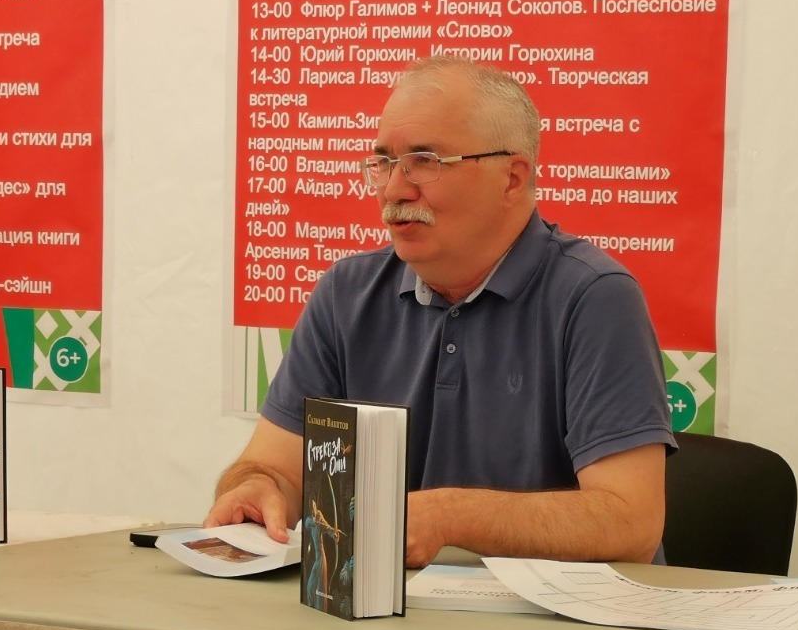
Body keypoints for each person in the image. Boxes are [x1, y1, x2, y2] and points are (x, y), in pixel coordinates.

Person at [206, 56, 675, 568]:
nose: (394, 190)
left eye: (425, 161)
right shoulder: (346, 294)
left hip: (550, 616)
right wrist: (255, 489)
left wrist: (449, 517)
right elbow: (276, 469)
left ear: (512, 178)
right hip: (385, 608)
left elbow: (630, 522)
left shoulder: (594, 297)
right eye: (384, 162)